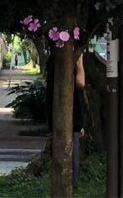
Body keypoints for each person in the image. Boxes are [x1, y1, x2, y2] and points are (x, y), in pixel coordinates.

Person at [46, 51, 86, 186]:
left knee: (64, 159)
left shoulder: (53, 61)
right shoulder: (69, 61)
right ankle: (69, 186)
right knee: (72, 161)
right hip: (69, 120)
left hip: (59, 118)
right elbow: (80, 82)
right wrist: (80, 61)